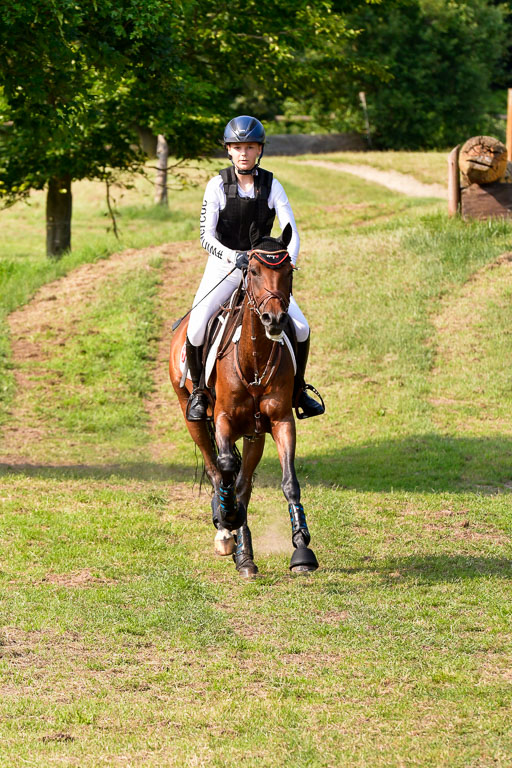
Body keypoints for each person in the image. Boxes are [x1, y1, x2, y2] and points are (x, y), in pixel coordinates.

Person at [185, 114, 324, 422]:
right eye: (237, 147)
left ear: (259, 149)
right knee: (196, 327)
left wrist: (287, 265)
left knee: (301, 328)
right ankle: (198, 394)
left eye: (250, 147)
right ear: (228, 150)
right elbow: (205, 236)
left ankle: (298, 391)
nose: (244, 153)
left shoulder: (273, 185)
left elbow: (292, 232)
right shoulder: (216, 185)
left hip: (264, 271)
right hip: (225, 267)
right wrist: (233, 256)